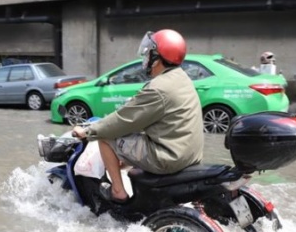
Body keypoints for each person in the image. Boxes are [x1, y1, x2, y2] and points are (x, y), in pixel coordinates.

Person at [72, 29, 203, 204]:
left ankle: (118, 192)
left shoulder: (158, 88)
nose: (146, 58)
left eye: (148, 54)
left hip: (169, 157)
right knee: (133, 141)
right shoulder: (181, 78)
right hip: (188, 153)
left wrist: (88, 131)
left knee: (105, 138)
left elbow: (122, 121)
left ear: (156, 58)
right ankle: (122, 172)